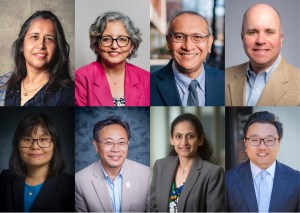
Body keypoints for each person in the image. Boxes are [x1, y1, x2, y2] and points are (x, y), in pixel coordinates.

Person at [226, 4, 300, 106]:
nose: (260, 40)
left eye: (269, 32)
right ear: (242, 38)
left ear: (281, 39)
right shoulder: (224, 76)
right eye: (252, 32)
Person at [226, 111, 300, 212]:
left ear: (279, 143)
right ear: (245, 143)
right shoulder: (227, 180)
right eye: (255, 140)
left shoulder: (296, 180)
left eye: (269, 140)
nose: (262, 147)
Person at [0, 113, 74, 212]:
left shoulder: (70, 185)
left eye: (43, 139)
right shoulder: (5, 178)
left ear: (54, 145)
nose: (35, 147)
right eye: (27, 139)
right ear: (17, 145)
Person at [150, 113, 224, 212]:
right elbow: (152, 206)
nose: (184, 142)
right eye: (178, 136)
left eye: (190, 136)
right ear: (171, 139)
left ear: (200, 140)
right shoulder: (160, 166)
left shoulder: (213, 173)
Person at [75, 116, 150, 212]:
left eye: (121, 142)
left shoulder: (146, 174)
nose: (116, 149)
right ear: (96, 145)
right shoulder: (80, 180)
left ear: (128, 144)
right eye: (109, 142)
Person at [75, 11, 150, 106]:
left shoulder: (146, 79)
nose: (114, 46)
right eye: (106, 39)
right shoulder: (81, 77)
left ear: (131, 46)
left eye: (122, 39)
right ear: (96, 45)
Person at [151, 11, 224, 106]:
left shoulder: (226, 82)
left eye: (197, 37)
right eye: (180, 37)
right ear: (168, 42)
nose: (188, 47)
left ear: (209, 43)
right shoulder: (147, 86)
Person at [1, 10, 74, 106]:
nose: (41, 45)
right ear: (21, 45)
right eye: (34, 37)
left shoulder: (70, 94)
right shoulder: (3, 84)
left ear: (57, 48)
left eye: (49, 39)